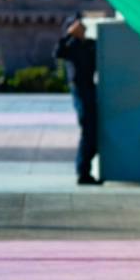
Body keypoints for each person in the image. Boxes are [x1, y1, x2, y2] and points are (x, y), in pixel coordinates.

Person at [54, 14, 102, 186]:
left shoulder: (89, 44)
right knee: (88, 129)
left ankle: (86, 169)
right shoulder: (71, 45)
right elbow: (58, 52)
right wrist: (69, 34)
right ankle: (83, 172)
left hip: (90, 88)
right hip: (80, 91)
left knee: (94, 131)